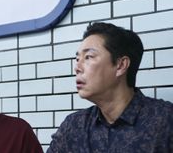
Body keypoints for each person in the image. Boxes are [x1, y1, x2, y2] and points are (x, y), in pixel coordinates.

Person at [47, 22, 173, 152]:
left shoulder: (164, 120)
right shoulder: (74, 127)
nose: (77, 68)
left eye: (88, 57)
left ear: (121, 65)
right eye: (78, 59)